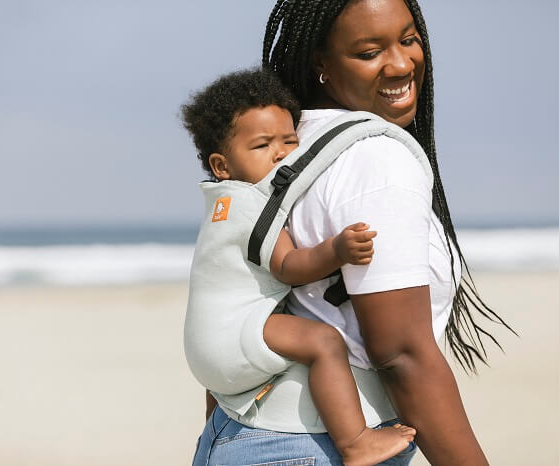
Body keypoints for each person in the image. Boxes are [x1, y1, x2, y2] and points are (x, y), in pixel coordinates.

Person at [192, 0, 515, 465]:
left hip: (241, 434)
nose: (401, 64)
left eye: (409, 39)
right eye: (369, 52)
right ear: (321, 61)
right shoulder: (375, 158)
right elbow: (400, 353)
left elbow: (240, 289)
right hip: (308, 447)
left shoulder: (279, 144)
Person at [182, 69, 417, 465]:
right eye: (261, 145)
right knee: (323, 342)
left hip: (207, 351)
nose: (280, 154)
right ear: (221, 165)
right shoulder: (252, 205)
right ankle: (355, 441)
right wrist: (336, 249)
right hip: (235, 335)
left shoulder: (219, 205)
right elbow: (290, 265)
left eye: (290, 141)